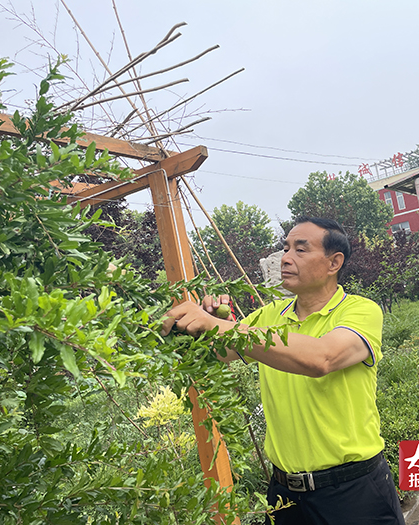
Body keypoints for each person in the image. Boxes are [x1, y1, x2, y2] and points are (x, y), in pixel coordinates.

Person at [161, 216, 405, 525]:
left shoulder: (360, 311)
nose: (286, 258)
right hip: (285, 496)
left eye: (300, 250)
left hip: (352, 492)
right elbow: (222, 353)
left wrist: (224, 328)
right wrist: (204, 326)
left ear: (334, 262)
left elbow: (322, 359)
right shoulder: (269, 315)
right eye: (285, 248)